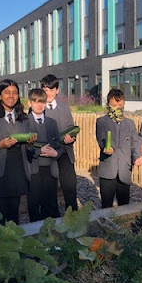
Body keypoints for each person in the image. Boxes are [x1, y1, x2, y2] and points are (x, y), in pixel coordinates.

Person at [0, 79, 35, 224]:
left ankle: (14, 243)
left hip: (17, 169)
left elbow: (29, 148)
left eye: (15, 93)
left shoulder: (23, 117)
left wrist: (30, 144)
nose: (11, 96)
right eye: (7, 92)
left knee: (14, 213)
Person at [96, 89, 142, 208]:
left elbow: (135, 142)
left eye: (120, 105)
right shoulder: (101, 122)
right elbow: (102, 139)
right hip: (108, 170)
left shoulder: (130, 123)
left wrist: (137, 156)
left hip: (124, 169)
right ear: (108, 104)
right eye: (114, 105)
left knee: (124, 204)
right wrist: (107, 148)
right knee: (106, 205)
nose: (118, 108)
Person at [41, 74, 78, 211]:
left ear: (57, 90)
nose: (48, 93)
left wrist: (72, 138)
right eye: (45, 90)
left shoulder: (64, 107)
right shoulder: (38, 108)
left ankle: (74, 218)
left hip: (65, 154)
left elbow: (71, 128)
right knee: (50, 193)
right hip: (48, 155)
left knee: (70, 188)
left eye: (51, 90)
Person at [26, 88, 63, 222]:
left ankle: (53, 237)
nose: (39, 105)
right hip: (33, 170)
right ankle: (35, 237)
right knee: (34, 204)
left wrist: (56, 152)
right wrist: (38, 151)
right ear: (30, 103)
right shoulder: (25, 122)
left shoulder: (51, 123)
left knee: (51, 204)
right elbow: (23, 148)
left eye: (42, 102)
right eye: (36, 102)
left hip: (50, 170)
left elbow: (60, 145)